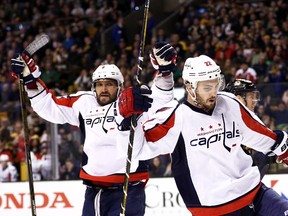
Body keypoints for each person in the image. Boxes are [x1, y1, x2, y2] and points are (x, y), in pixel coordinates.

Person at [10, 42, 176, 216]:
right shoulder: (83, 103)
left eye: (110, 84)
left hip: (129, 187)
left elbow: (160, 99)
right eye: (100, 84)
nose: (104, 89)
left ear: (119, 87)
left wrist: (165, 72)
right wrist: (30, 81)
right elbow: (48, 107)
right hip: (94, 190)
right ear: (93, 87)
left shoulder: (132, 101)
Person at [118, 54, 288, 215]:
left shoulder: (229, 103)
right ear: (189, 87)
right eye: (207, 87)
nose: (213, 92)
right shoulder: (176, 117)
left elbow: (261, 135)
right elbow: (135, 151)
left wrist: (282, 147)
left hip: (256, 193)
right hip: (215, 210)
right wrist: (127, 119)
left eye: (216, 85)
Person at [224, 79, 269, 179]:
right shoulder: (226, 121)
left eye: (255, 96)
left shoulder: (249, 119)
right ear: (239, 98)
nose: (255, 101)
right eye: (251, 97)